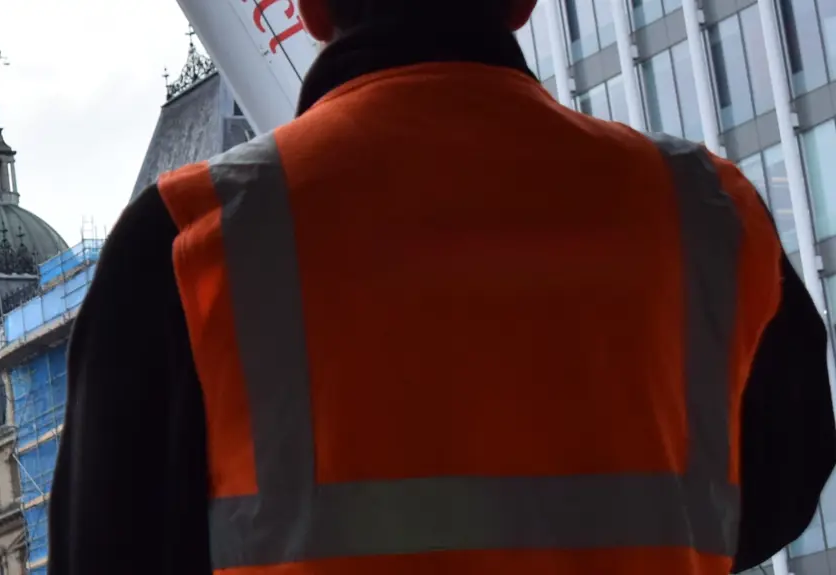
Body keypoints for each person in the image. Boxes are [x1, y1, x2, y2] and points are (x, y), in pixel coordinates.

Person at [47, 1, 836, 573]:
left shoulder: (186, 246)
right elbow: (783, 483)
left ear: (311, 11)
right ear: (522, 4)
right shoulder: (712, 217)